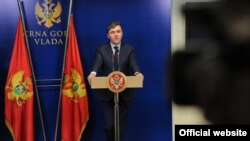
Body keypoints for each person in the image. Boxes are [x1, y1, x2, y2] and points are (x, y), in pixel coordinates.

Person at [87, 21, 144, 141]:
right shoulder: (101, 49)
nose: (116, 34)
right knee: (110, 125)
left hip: (125, 94)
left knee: (120, 127)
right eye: (112, 32)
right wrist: (92, 74)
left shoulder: (129, 49)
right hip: (107, 95)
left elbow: (134, 65)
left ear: (122, 33)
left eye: (118, 31)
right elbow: (96, 65)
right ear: (108, 35)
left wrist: (138, 74)